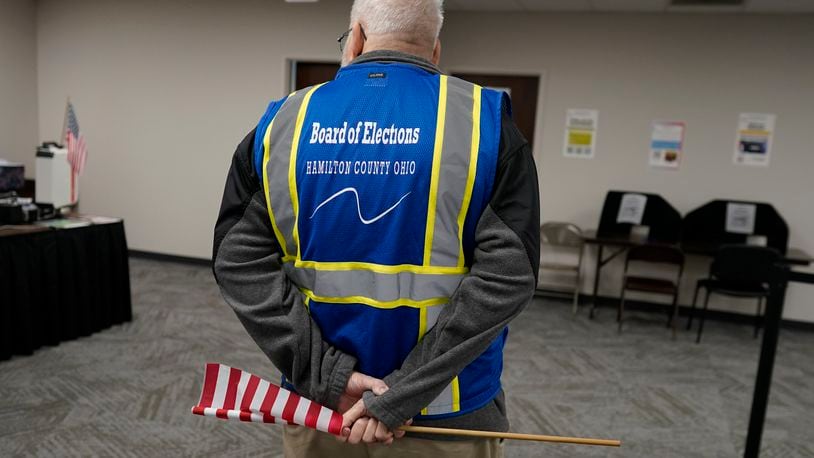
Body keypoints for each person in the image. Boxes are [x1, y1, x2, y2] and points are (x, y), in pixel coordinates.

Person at [212, 0, 539, 456]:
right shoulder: (485, 124)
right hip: (448, 418)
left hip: (322, 411)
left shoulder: (282, 123)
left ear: (358, 38)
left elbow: (237, 258)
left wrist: (328, 375)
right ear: (435, 51)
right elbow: (508, 276)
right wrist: (402, 393)